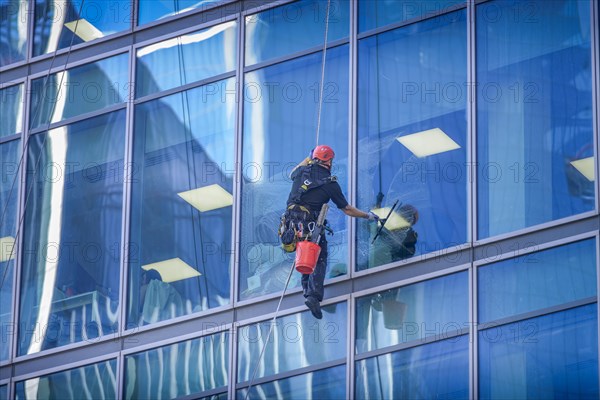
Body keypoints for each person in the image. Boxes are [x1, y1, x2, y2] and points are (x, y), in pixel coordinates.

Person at [283, 145, 379, 319]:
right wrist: (368, 216)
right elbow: (347, 209)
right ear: (329, 161)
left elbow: (291, 173)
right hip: (310, 224)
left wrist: (309, 157)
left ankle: (307, 290)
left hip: (292, 223)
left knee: (306, 254)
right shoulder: (330, 183)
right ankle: (313, 295)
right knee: (318, 257)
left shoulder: (301, 172)